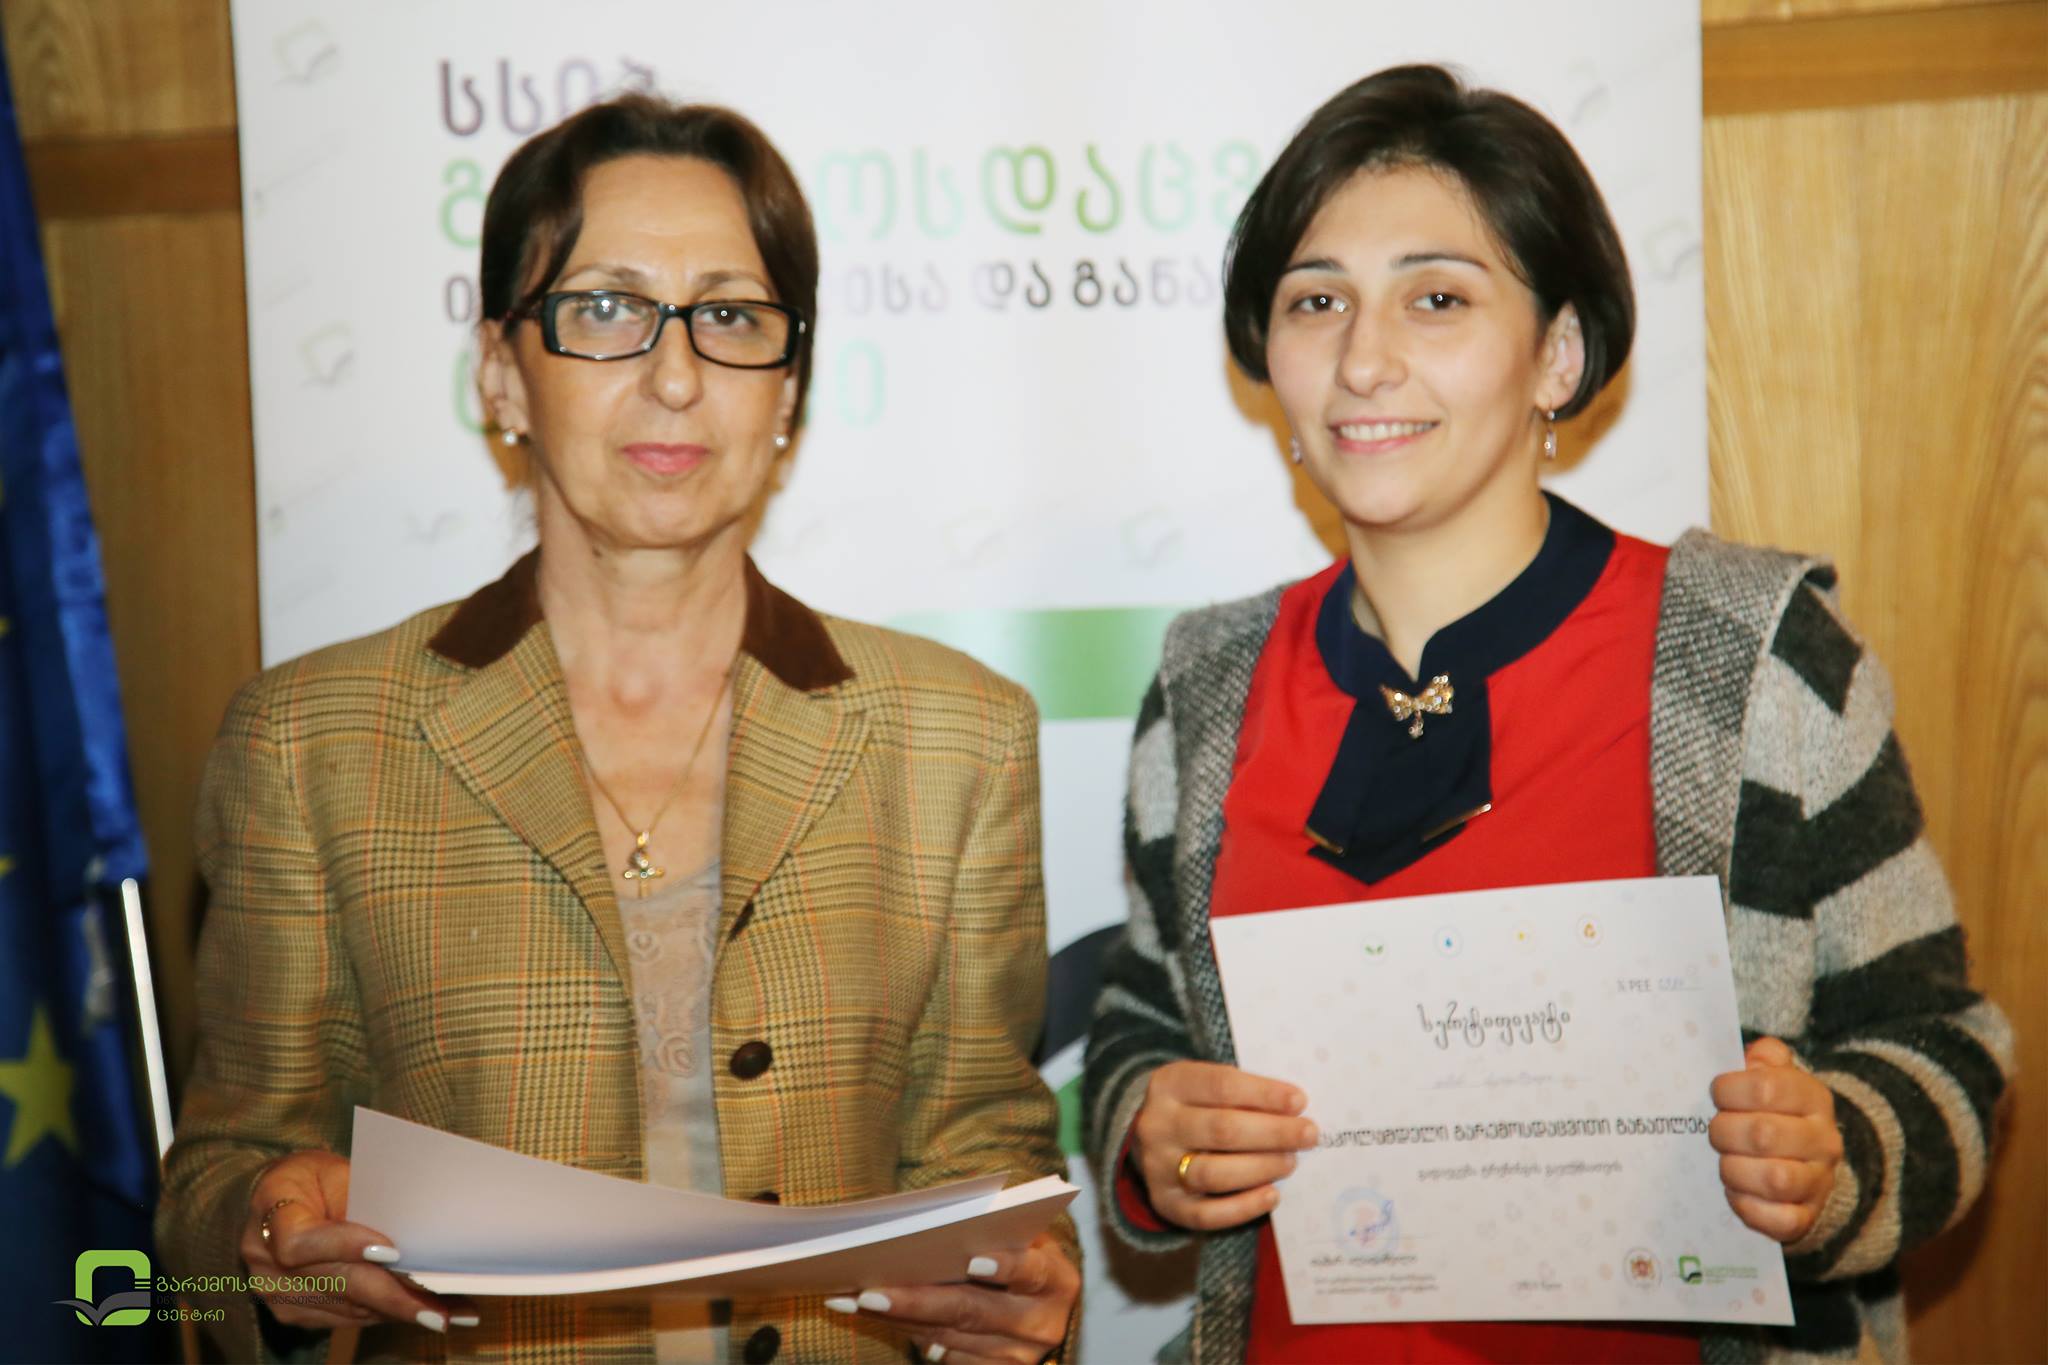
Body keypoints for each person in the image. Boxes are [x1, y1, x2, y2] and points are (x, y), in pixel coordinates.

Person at [1081, 64, 2011, 1364]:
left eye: (1437, 298)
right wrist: (1151, 1133)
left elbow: (1944, 1049)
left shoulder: (1753, 657)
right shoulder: (1206, 685)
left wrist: (1831, 1153)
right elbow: (1142, 1020)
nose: (1363, 359)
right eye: (1316, 301)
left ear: (1557, 355)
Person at [156, 95, 1078, 1364]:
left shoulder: (956, 738)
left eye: (730, 317)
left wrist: (1024, 1288)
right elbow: (220, 1174)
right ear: (501, 370)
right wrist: (262, 1232)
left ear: (789, 385)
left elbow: (990, 1162)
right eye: (604, 308)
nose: (676, 376)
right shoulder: (309, 744)